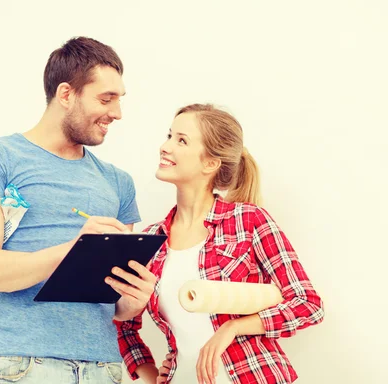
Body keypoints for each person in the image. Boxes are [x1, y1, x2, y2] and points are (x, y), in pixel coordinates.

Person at [0, 36, 156, 384]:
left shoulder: (118, 182)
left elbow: (117, 306)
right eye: (106, 99)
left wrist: (133, 301)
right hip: (26, 364)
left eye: (119, 100)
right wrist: (74, 250)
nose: (117, 113)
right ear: (66, 95)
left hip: (104, 369)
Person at [114, 104, 325, 384]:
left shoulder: (248, 221)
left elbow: (308, 304)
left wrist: (233, 328)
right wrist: (151, 377)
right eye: (169, 136)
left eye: (181, 140)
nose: (165, 147)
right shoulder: (152, 241)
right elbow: (122, 322)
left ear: (210, 163)